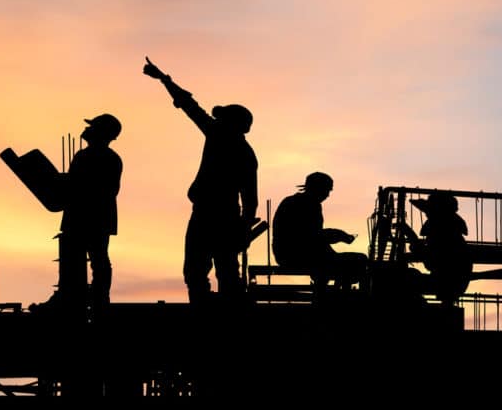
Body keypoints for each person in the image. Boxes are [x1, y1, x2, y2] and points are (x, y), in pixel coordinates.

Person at [143, 57, 258, 304]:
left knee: (211, 271)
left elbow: (189, 106)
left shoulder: (226, 141)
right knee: (211, 271)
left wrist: (165, 80)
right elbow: (189, 106)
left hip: (217, 216)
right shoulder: (233, 145)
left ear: (233, 124)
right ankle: (215, 312)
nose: (217, 120)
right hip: (218, 215)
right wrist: (164, 79)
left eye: (223, 118)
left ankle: (212, 314)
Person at [58, 113, 123, 318]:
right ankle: (90, 301)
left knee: (96, 262)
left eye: (92, 126)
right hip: (91, 217)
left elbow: (105, 190)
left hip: (89, 217)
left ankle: (96, 302)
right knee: (90, 261)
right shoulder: (92, 156)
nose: (87, 129)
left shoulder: (98, 158)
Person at [272, 172, 367, 293]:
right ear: (318, 188)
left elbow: (315, 239)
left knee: (347, 262)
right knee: (360, 260)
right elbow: (312, 237)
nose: (328, 195)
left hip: (288, 255)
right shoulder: (308, 205)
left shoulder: (292, 201)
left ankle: (330, 293)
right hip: (297, 255)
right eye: (327, 190)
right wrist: (339, 235)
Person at [404, 192, 472, 307]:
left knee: (403, 280)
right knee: (409, 276)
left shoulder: (443, 233)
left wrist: (412, 238)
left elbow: (431, 262)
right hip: (450, 283)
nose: (427, 215)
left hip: (446, 284)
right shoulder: (452, 232)